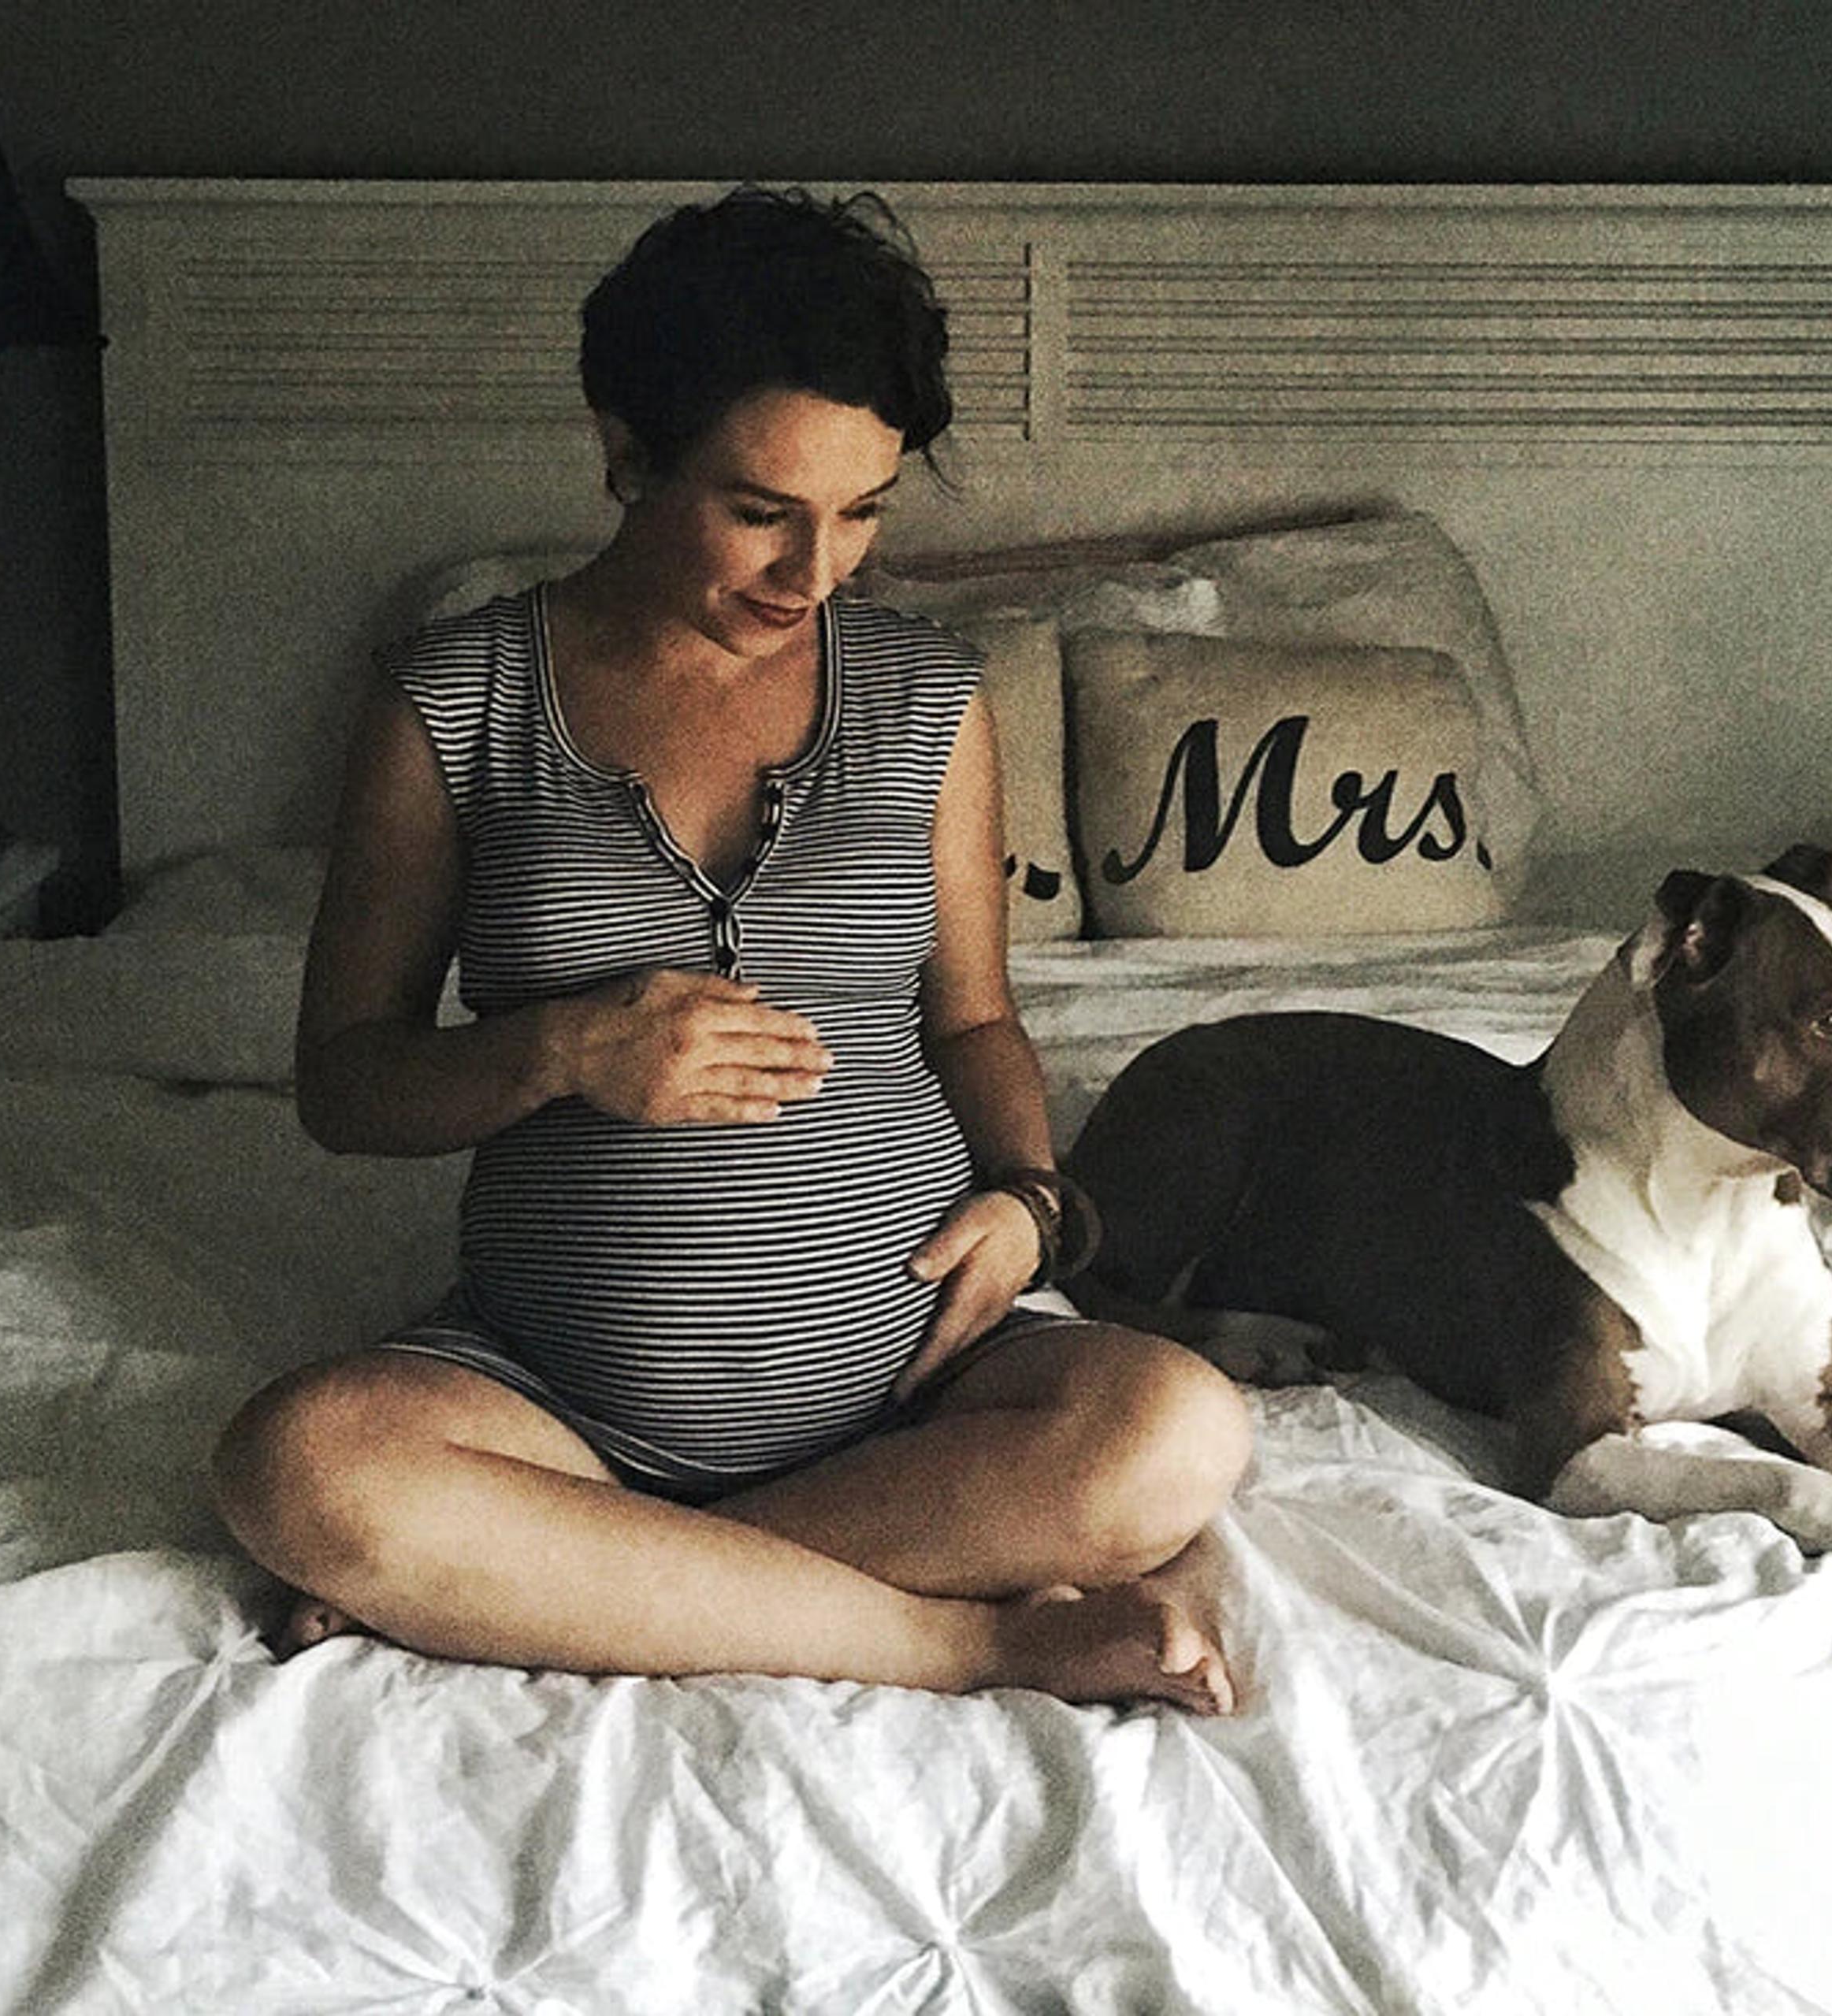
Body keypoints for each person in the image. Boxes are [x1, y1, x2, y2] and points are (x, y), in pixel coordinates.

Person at [210, 187, 1252, 1713]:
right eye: (762, 509)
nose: (814, 571)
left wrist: (1033, 1205)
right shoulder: (453, 698)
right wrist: (561, 1050)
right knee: (295, 1463)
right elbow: (345, 1086)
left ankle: (564, 1577)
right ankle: (962, 1639)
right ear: (625, 452)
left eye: (864, 511)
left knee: (1180, 1428)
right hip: (556, 1406)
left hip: (912, 1394)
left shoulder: (931, 699)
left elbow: (972, 1024)